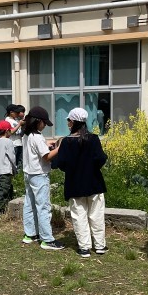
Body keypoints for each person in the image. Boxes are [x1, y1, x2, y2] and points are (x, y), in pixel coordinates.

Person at [56, 108, 108, 258]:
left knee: (79, 216)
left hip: (75, 184)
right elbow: (101, 158)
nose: (67, 123)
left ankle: (84, 248)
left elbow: (61, 164)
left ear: (72, 122)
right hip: (94, 182)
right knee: (96, 215)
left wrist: (73, 169)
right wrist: (91, 168)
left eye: (68, 120)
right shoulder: (93, 139)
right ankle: (100, 246)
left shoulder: (66, 142)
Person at [21, 106, 65, 250]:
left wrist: (47, 144)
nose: (45, 125)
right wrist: (60, 148)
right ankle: (47, 239)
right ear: (37, 121)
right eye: (44, 122)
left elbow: (36, 148)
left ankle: (30, 234)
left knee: (29, 204)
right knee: (43, 207)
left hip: (28, 173)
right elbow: (46, 157)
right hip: (39, 175)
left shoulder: (26, 135)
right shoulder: (38, 137)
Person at [5, 104, 25, 171]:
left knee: (20, 162)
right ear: (11, 112)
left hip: (19, 143)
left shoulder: (15, 120)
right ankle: (15, 174)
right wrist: (19, 124)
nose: (18, 114)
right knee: (14, 163)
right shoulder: (8, 120)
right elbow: (11, 132)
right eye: (16, 112)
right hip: (13, 144)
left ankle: (18, 174)